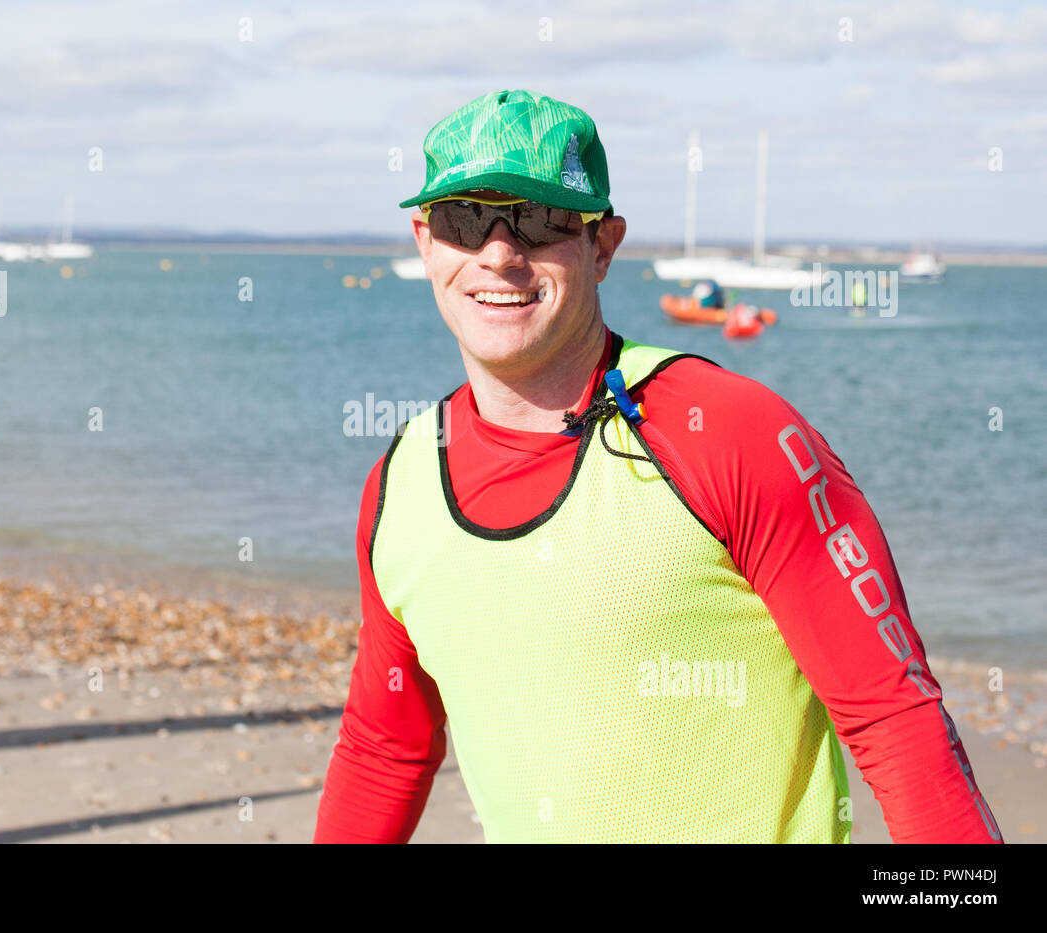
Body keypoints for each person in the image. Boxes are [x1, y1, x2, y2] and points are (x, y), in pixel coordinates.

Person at [313, 89, 1001, 843]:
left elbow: (893, 714)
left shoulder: (731, 431)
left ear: (602, 245)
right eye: (465, 218)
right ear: (425, 241)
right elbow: (386, 749)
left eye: (539, 219)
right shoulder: (404, 479)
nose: (500, 252)